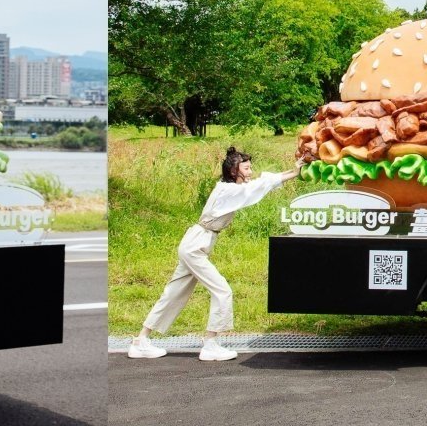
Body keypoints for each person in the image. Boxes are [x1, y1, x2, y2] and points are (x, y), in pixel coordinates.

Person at [127, 146, 303, 361]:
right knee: (222, 291)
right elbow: (261, 185)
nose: (250, 172)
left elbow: (262, 183)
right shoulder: (229, 191)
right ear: (233, 171)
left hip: (195, 242)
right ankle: (210, 344)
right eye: (246, 168)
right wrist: (293, 172)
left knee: (173, 293)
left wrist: (293, 172)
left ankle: (141, 340)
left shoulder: (229, 189)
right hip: (196, 245)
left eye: (250, 168)